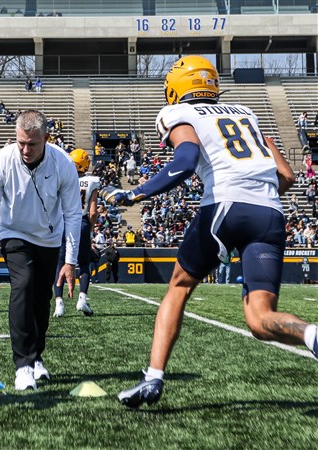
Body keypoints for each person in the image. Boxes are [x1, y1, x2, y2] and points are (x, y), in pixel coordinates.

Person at [100, 55, 318, 408]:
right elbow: (288, 176)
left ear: (177, 87)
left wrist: (135, 193)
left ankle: (153, 379)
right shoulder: (246, 112)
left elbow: (185, 161)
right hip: (269, 213)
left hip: (225, 206)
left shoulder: (178, 114)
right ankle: (312, 334)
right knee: (261, 320)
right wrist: (255, 197)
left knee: (179, 286)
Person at [0, 110, 81, 391]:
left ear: (46, 138)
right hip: (14, 234)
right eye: (21, 142)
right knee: (22, 287)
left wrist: (70, 261)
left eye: (32, 144)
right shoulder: (0, 163)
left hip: (49, 239)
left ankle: (36, 358)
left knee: (41, 298)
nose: (25, 149)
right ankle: (23, 365)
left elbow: (73, 214)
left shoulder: (63, 164)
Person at [53, 148, 99, 318]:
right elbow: (93, 212)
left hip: (64, 222)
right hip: (82, 222)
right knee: (84, 263)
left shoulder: (63, 177)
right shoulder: (92, 181)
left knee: (59, 264)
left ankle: (59, 303)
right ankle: (82, 299)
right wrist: (90, 228)